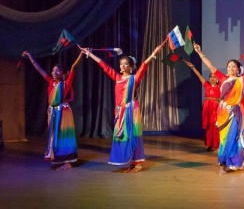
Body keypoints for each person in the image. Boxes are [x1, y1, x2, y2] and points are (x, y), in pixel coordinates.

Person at [80, 43, 165, 173]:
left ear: (131, 67)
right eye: (121, 64)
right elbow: (104, 65)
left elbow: (144, 66)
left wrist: (154, 53)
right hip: (120, 111)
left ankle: (137, 163)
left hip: (131, 110)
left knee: (133, 135)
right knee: (122, 136)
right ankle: (128, 161)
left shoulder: (134, 78)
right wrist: (89, 54)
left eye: (125, 64)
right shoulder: (117, 78)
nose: (122, 66)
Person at [193, 42, 244, 174]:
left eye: (233, 66)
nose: (231, 68)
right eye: (229, 66)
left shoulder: (242, 80)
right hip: (223, 113)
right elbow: (211, 66)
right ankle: (222, 164)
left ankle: (236, 163)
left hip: (236, 113)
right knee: (224, 139)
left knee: (236, 138)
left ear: (237, 69)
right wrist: (199, 53)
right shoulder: (223, 78)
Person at [22, 50, 84, 170]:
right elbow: (39, 69)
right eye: (53, 70)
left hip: (63, 112)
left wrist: (81, 53)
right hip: (53, 112)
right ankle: (58, 158)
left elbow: (73, 67)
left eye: (58, 71)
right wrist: (30, 56)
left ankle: (67, 162)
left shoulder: (66, 83)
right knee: (54, 136)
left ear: (64, 74)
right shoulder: (51, 82)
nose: (54, 72)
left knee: (64, 136)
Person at [183, 60, 220, 152]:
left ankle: (216, 145)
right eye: (211, 77)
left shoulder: (220, 86)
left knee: (215, 126)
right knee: (208, 126)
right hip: (207, 108)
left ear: (217, 79)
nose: (212, 78)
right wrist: (193, 67)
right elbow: (199, 76)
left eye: (214, 77)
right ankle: (209, 144)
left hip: (216, 108)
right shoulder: (207, 85)